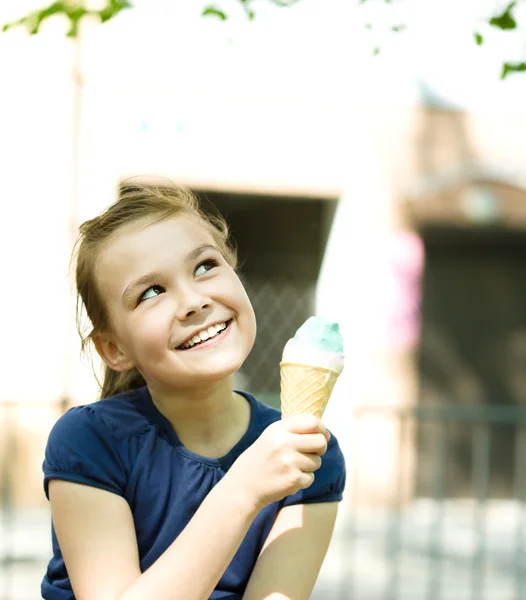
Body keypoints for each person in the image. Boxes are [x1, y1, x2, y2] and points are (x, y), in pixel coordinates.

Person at [41, 181, 346, 600]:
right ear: (114, 349)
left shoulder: (309, 456)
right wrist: (243, 489)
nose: (193, 300)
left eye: (204, 266)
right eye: (151, 292)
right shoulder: (91, 442)